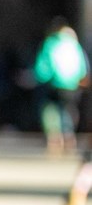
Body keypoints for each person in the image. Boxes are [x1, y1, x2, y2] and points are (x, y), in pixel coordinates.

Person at [34, 18, 88, 155]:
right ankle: (69, 135)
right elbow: (83, 65)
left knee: (51, 110)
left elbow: (44, 67)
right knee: (69, 110)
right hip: (72, 84)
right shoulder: (74, 44)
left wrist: (39, 78)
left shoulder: (51, 43)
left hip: (56, 83)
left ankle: (55, 137)